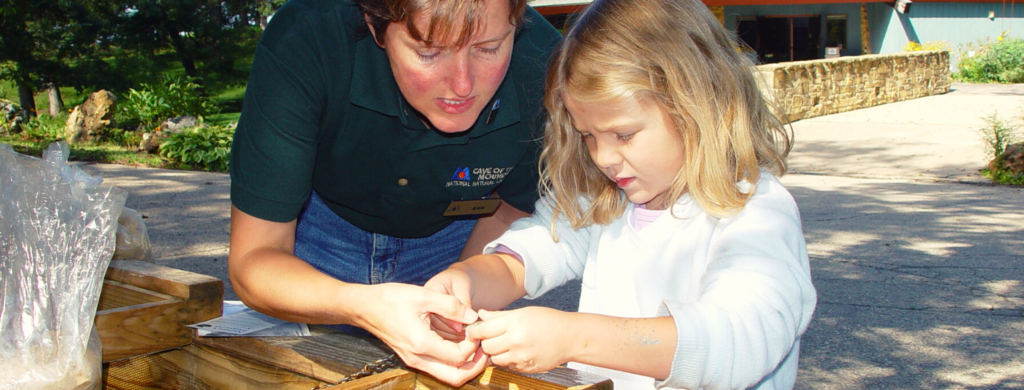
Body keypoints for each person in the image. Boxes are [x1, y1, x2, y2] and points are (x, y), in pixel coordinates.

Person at [425, 0, 818, 388]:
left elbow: (736, 340)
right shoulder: (605, 199)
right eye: (588, 136)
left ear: (698, 103)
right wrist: (467, 279)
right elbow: (533, 252)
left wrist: (573, 337)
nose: (603, 157)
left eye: (623, 134)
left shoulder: (756, 213)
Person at [227, 0, 561, 384]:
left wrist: (456, 297)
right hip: (315, 230)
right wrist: (360, 305)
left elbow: (510, 209)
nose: (463, 84)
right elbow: (256, 257)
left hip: (456, 231)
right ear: (374, 24)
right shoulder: (305, 37)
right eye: (429, 52)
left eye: (488, 48)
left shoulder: (546, 67)